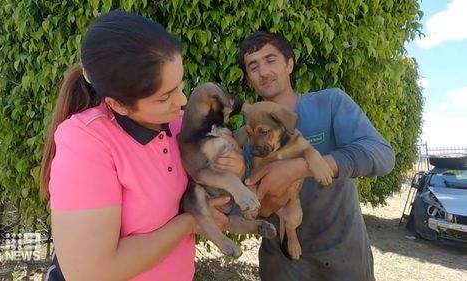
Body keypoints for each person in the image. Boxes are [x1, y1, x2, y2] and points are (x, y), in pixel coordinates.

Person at [39, 10, 245, 281]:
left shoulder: (180, 124)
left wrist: (235, 166)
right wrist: (190, 223)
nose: (183, 101)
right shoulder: (87, 140)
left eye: (181, 85)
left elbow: (222, 182)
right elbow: (89, 273)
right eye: (165, 97)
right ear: (118, 105)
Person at [238, 31, 395, 281]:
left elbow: (382, 155)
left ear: (289, 63)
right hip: (281, 263)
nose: (263, 72)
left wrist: (301, 167)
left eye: (270, 60)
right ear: (249, 78)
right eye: (253, 66)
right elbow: (253, 206)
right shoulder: (249, 134)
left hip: (344, 260)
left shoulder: (330, 103)